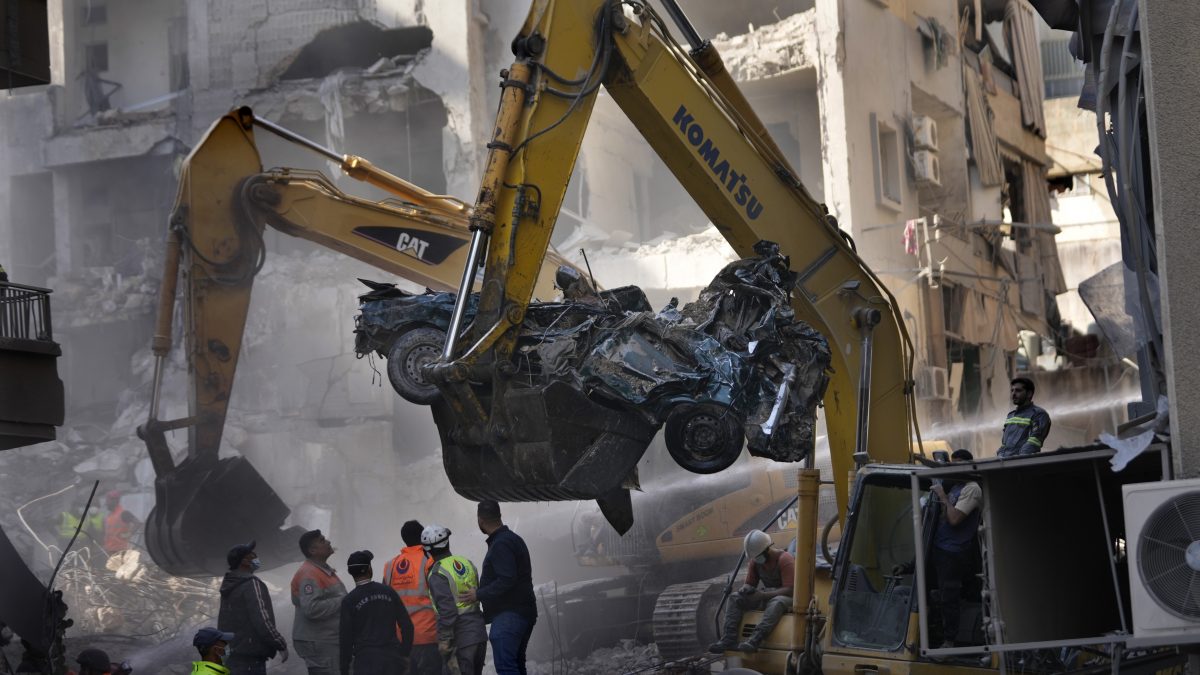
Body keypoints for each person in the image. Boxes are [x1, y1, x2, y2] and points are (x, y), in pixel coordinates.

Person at [458, 500, 536, 675]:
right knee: (516, 664)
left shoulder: (501, 544)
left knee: (506, 668)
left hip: (510, 616)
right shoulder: (511, 539)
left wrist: (478, 594)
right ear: (499, 515)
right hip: (522, 613)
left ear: (480, 520)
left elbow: (507, 579)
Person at [708, 529, 794, 654]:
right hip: (769, 595)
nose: (756, 560)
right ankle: (728, 639)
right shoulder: (755, 562)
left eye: (758, 556)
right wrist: (745, 589)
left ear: (767, 549)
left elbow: (790, 589)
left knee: (776, 602)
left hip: (788, 598)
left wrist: (763, 595)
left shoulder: (785, 559)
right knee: (734, 598)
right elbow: (750, 583)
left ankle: (755, 640)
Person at [929, 449, 983, 647]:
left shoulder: (971, 488)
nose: (954, 468)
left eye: (958, 464)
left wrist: (943, 496)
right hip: (941, 548)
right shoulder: (955, 486)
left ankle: (949, 641)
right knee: (937, 595)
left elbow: (954, 519)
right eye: (952, 464)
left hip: (954, 553)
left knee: (949, 597)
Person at [421, 525, 486, 675]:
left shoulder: (437, 572)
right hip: (478, 634)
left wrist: (444, 639)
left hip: (461, 639)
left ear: (427, 551)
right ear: (447, 542)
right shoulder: (467, 562)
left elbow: (448, 611)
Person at [339, 550, 414, 675]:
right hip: (392, 659)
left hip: (365, 663)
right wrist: (404, 654)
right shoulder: (388, 592)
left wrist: (344, 668)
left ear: (350, 573)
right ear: (369, 569)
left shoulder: (349, 600)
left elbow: (345, 639)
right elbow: (407, 626)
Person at [218, 541, 289, 674]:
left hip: (231, 654)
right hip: (250, 656)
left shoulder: (229, 585)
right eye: (253, 555)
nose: (257, 558)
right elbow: (262, 619)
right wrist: (280, 644)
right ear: (244, 561)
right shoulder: (251, 584)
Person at [383, 520, 439, 675]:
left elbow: (386, 604)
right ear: (423, 537)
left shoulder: (390, 566)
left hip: (402, 639)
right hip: (428, 634)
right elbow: (442, 596)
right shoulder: (430, 561)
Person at [291, 530, 347, 675]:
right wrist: (343, 600)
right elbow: (312, 609)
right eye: (322, 541)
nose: (328, 542)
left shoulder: (322, 571)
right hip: (320, 642)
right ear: (312, 550)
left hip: (327, 639)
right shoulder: (309, 574)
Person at [997, 377, 1051, 457]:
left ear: (1029, 394)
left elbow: (1033, 444)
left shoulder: (1038, 414)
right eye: (1012, 390)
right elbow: (1004, 445)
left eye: (1018, 390)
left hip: (1022, 464)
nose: (1013, 394)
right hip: (1005, 464)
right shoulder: (1010, 416)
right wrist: (999, 459)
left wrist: (1018, 462)